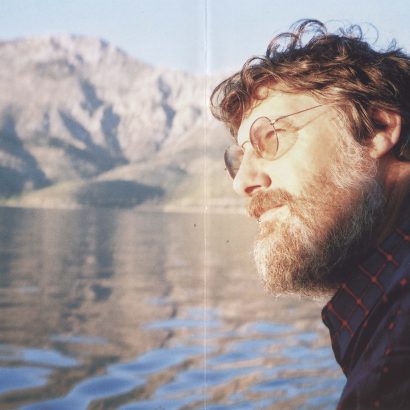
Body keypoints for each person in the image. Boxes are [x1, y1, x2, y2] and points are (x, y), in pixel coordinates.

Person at [210, 19, 410, 408]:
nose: (242, 182)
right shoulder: (383, 312)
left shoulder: (398, 351)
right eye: (238, 160)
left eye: (271, 137)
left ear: (377, 128)